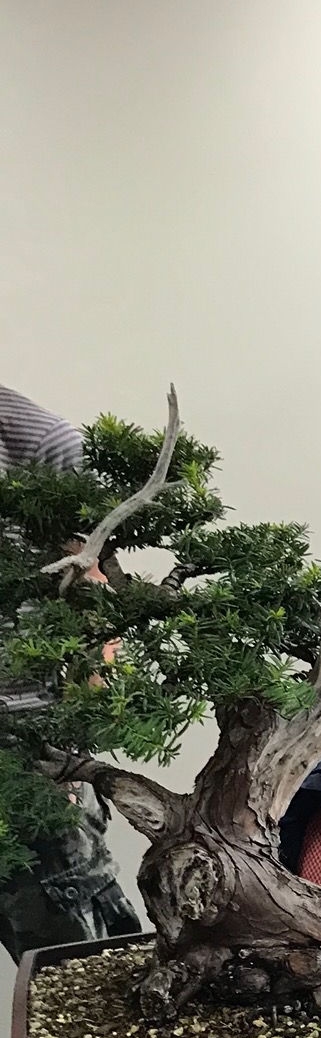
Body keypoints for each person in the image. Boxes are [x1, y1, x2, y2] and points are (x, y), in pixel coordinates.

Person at [0, 383, 141, 961]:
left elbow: (93, 587)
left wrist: (75, 746)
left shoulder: (34, 443)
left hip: (26, 753)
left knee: (80, 964)